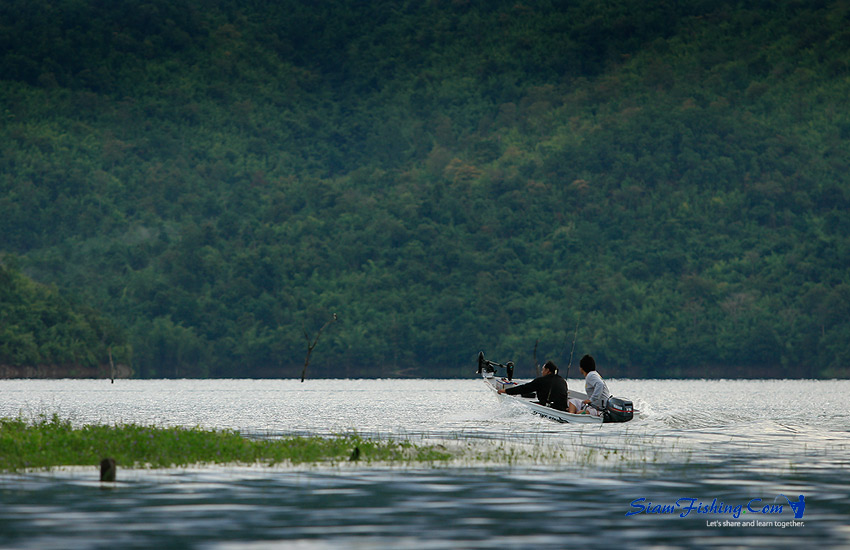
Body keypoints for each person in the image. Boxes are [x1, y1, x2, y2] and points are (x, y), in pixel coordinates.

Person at [498, 360, 568, 411]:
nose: (541, 372)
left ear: (548, 370)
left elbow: (524, 388)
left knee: (527, 406)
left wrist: (506, 391)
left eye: (543, 370)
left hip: (550, 409)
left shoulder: (541, 380)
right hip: (562, 408)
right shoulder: (563, 381)